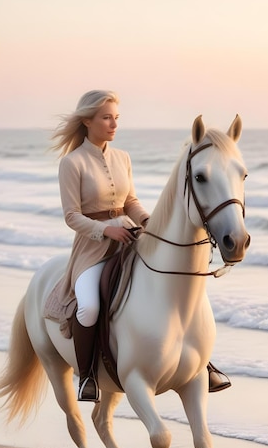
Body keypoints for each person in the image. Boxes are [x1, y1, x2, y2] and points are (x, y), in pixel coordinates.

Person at [52, 89, 231, 402]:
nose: (113, 124)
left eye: (116, 118)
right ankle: (88, 376)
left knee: (171, 286)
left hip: (130, 234)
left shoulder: (123, 158)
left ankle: (200, 362)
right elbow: (71, 216)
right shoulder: (72, 163)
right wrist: (105, 230)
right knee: (90, 306)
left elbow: (130, 200)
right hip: (92, 248)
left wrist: (147, 221)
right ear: (87, 121)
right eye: (106, 117)